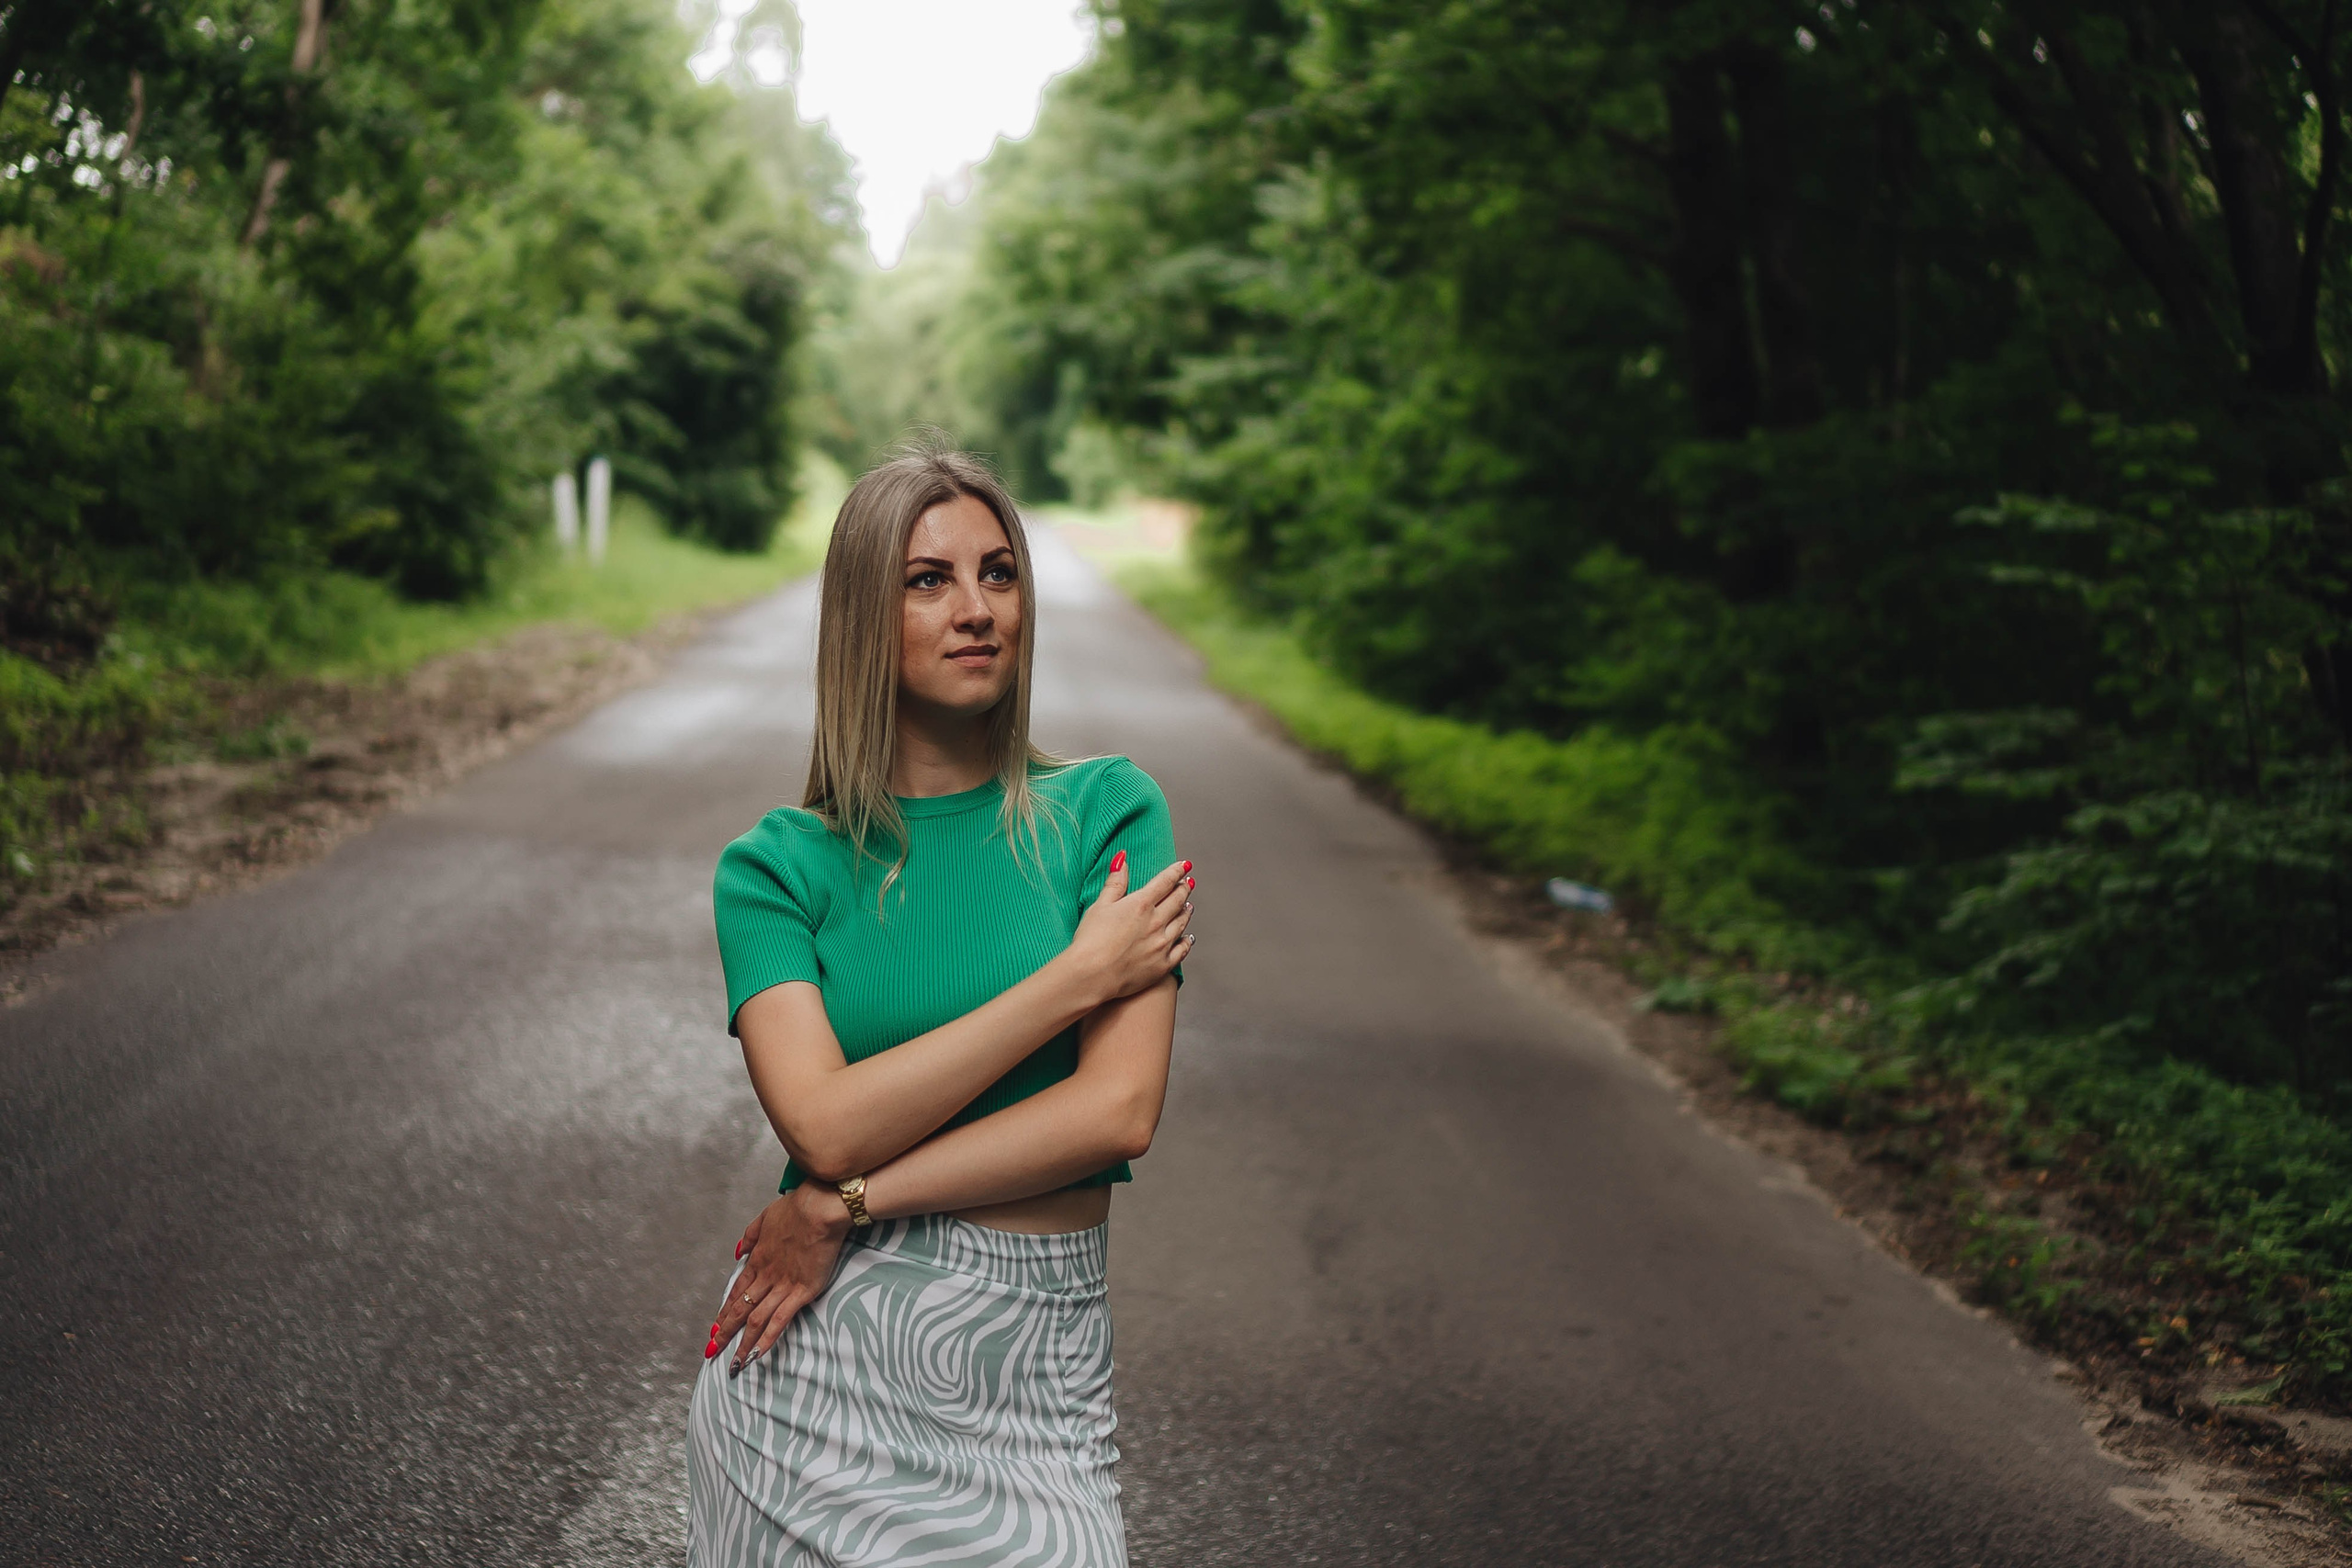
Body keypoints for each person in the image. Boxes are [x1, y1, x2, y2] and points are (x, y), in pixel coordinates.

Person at [687, 445, 1193, 1567]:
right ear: (863, 616)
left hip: (1037, 1381)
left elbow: (1116, 1114)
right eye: (928, 580)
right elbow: (821, 1128)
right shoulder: (776, 868)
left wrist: (842, 1206)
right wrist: (1073, 980)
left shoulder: (1108, 811)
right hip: (806, 1391)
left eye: (999, 573)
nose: (976, 610)